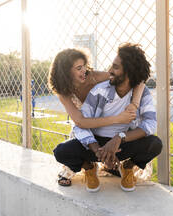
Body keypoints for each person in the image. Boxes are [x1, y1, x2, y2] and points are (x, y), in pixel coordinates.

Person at [53, 43, 162, 192]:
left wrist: (119, 136)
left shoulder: (96, 78)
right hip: (92, 136)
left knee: (155, 144)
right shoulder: (91, 90)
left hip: (121, 140)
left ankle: (127, 167)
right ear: (66, 73)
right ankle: (89, 167)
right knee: (62, 151)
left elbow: (137, 80)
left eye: (84, 66)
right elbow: (80, 123)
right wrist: (98, 149)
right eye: (79, 68)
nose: (84, 71)